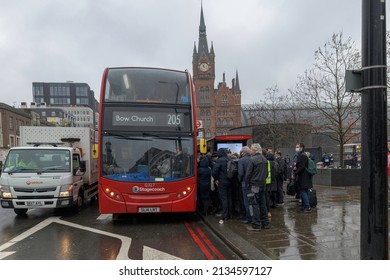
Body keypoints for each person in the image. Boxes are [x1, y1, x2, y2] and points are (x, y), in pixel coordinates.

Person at [244, 143, 270, 231]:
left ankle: (256, 224)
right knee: (263, 204)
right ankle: (265, 223)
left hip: (254, 185)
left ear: (254, 150)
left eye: (251, 149)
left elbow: (248, 174)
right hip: (263, 184)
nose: (250, 151)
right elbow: (266, 173)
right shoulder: (264, 159)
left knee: (254, 205)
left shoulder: (253, 160)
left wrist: (246, 183)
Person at [212, 148, 232, 224]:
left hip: (222, 181)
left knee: (223, 198)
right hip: (229, 181)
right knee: (229, 197)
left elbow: (214, 171)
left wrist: (216, 179)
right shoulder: (229, 159)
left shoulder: (219, 160)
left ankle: (224, 215)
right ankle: (230, 214)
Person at [292, 143, 313, 213]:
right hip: (305, 177)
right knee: (305, 191)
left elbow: (301, 167)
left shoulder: (302, 156)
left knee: (303, 191)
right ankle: (306, 206)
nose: (296, 148)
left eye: (297, 147)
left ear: (301, 148)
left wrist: (295, 173)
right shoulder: (302, 155)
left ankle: (307, 207)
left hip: (303, 177)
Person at [237, 146, 251, 224]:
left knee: (246, 201)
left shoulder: (241, 160)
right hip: (252, 182)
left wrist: (239, 180)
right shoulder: (252, 159)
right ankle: (251, 216)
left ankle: (248, 217)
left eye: (241, 152)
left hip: (244, 183)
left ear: (244, 152)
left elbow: (241, 173)